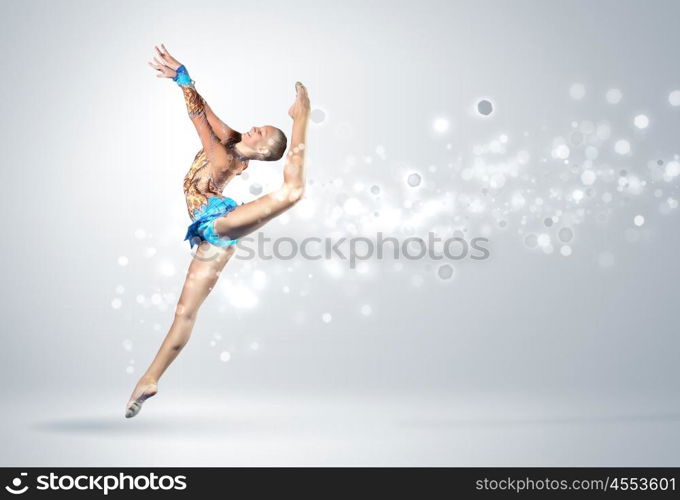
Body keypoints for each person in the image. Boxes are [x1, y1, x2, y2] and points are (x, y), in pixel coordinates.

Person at [124, 44, 310, 418]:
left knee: (293, 192)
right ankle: (149, 379)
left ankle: (302, 117)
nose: (255, 127)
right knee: (184, 313)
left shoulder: (224, 157)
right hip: (216, 238)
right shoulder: (233, 139)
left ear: (259, 151)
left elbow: (197, 120)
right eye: (259, 126)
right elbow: (207, 110)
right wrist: (185, 78)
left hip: (218, 220)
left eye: (260, 132)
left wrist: (183, 81)